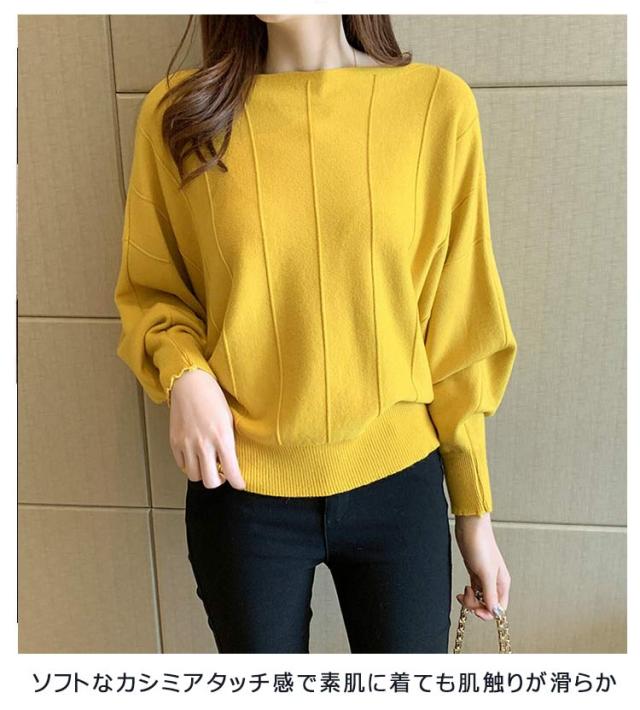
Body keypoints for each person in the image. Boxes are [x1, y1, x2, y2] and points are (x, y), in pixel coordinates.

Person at [113, 14, 517, 653]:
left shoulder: (436, 107)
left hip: (399, 480)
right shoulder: (181, 116)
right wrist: (183, 370)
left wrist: (474, 512)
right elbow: (153, 289)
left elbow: (460, 324)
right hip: (241, 487)